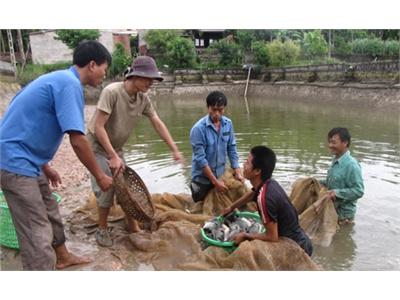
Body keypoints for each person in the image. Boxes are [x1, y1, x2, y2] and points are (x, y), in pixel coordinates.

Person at [0, 40, 114, 270]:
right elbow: (78, 140)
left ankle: (62, 256)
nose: (104, 74)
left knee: (50, 208)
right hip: (14, 163)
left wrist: (45, 166)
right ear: (92, 65)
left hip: (29, 161)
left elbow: (26, 126)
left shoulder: (59, 80)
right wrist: (100, 175)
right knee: (35, 230)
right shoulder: (68, 84)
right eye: (104, 69)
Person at [87, 55, 183, 247]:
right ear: (135, 76)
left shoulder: (143, 98)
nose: (151, 83)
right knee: (106, 187)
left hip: (116, 147)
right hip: (97, 146)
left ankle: (133, 226)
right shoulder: (112, 91)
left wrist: (174, 149)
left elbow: (157, 122)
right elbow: (98, 127)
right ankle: (103, 229)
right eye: (148, 78)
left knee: (126, 187)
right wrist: (112, 156)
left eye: (153, 79)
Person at [221, 146, 313, 256]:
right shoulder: (269, 182)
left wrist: (245, 235)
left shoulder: (264, 199)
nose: (243, 165)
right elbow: (253, 192)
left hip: (296, 248)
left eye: (247, 162)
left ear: (257, 171)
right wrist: (231, 207)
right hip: (300, 238)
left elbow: (272, 237)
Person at [189, 91, 243, 203]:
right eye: (214, 110)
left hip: (220, 175)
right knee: (201, 208)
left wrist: (237, 170)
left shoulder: (228, 124)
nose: (217, 113)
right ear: (208, 108)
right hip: (202, 179)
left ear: (224, 108)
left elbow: (231, 148)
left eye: (220, 110)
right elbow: (200, 159)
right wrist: (214, 182)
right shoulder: (198, 129)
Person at [321, 127, 364, 224]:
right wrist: (315, 182)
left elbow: (359, 191)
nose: (330, 145)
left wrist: (336, 193)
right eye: (329, 142)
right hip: (332, 212)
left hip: (343, 218)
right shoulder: (335, 160)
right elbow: (332, 182)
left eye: (333, 142)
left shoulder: (352, 165)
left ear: (345, 143)